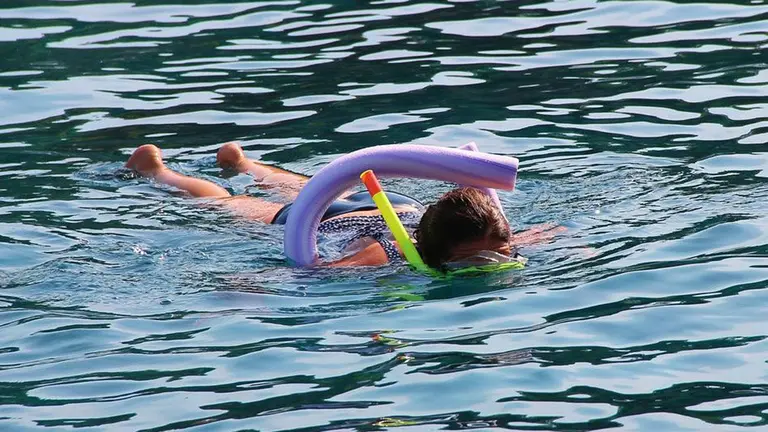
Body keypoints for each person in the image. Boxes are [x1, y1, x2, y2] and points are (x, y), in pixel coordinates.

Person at [126, 142, 558, 269]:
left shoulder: (493, 241)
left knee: (305, 184)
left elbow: (540, 239)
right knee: (228, 203)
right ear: (434, 253)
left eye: (497, 255)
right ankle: (158, 172)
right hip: (331, 222)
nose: (490, 263)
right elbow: (318, 274)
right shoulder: (383, 255)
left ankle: (244, 161)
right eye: (472, 262)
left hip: (393, 203)